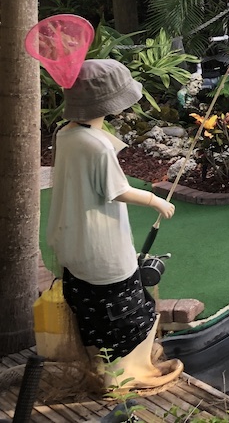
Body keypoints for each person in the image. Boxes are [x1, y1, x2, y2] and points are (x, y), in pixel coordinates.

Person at [47, 59, 184, 392]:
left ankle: (105, 371)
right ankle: (126, 378)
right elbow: (117, 190)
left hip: (72, 247)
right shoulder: (96, 146)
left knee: (94, 318)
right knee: (131, 315)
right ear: (107, 104)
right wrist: (156, 201)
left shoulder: (66, 134)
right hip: (102, 251)